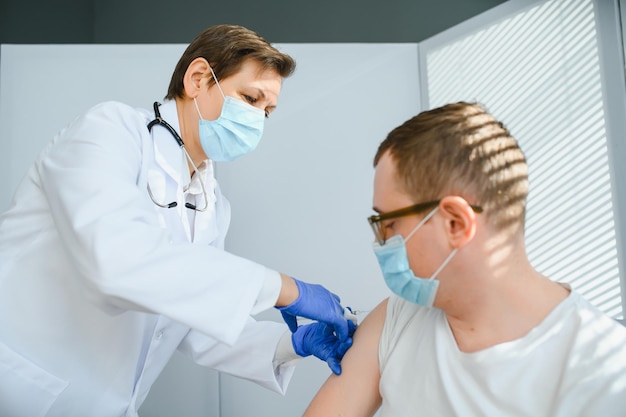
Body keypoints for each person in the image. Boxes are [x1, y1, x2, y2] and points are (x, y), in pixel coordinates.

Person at [0, 24, 356, 417]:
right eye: (250, 98)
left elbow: (191, 319)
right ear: (198, 78)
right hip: (22, 388)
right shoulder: (110, 131)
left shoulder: (211, 203)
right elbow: (116, 262)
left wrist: (290, 345)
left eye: (266, 112)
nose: (257, 120)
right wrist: (284, 289)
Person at [303, 102, 626, 417]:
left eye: (389, 223)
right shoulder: (400, 314)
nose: (380, 241)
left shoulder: (602, 374)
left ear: (456, 223)